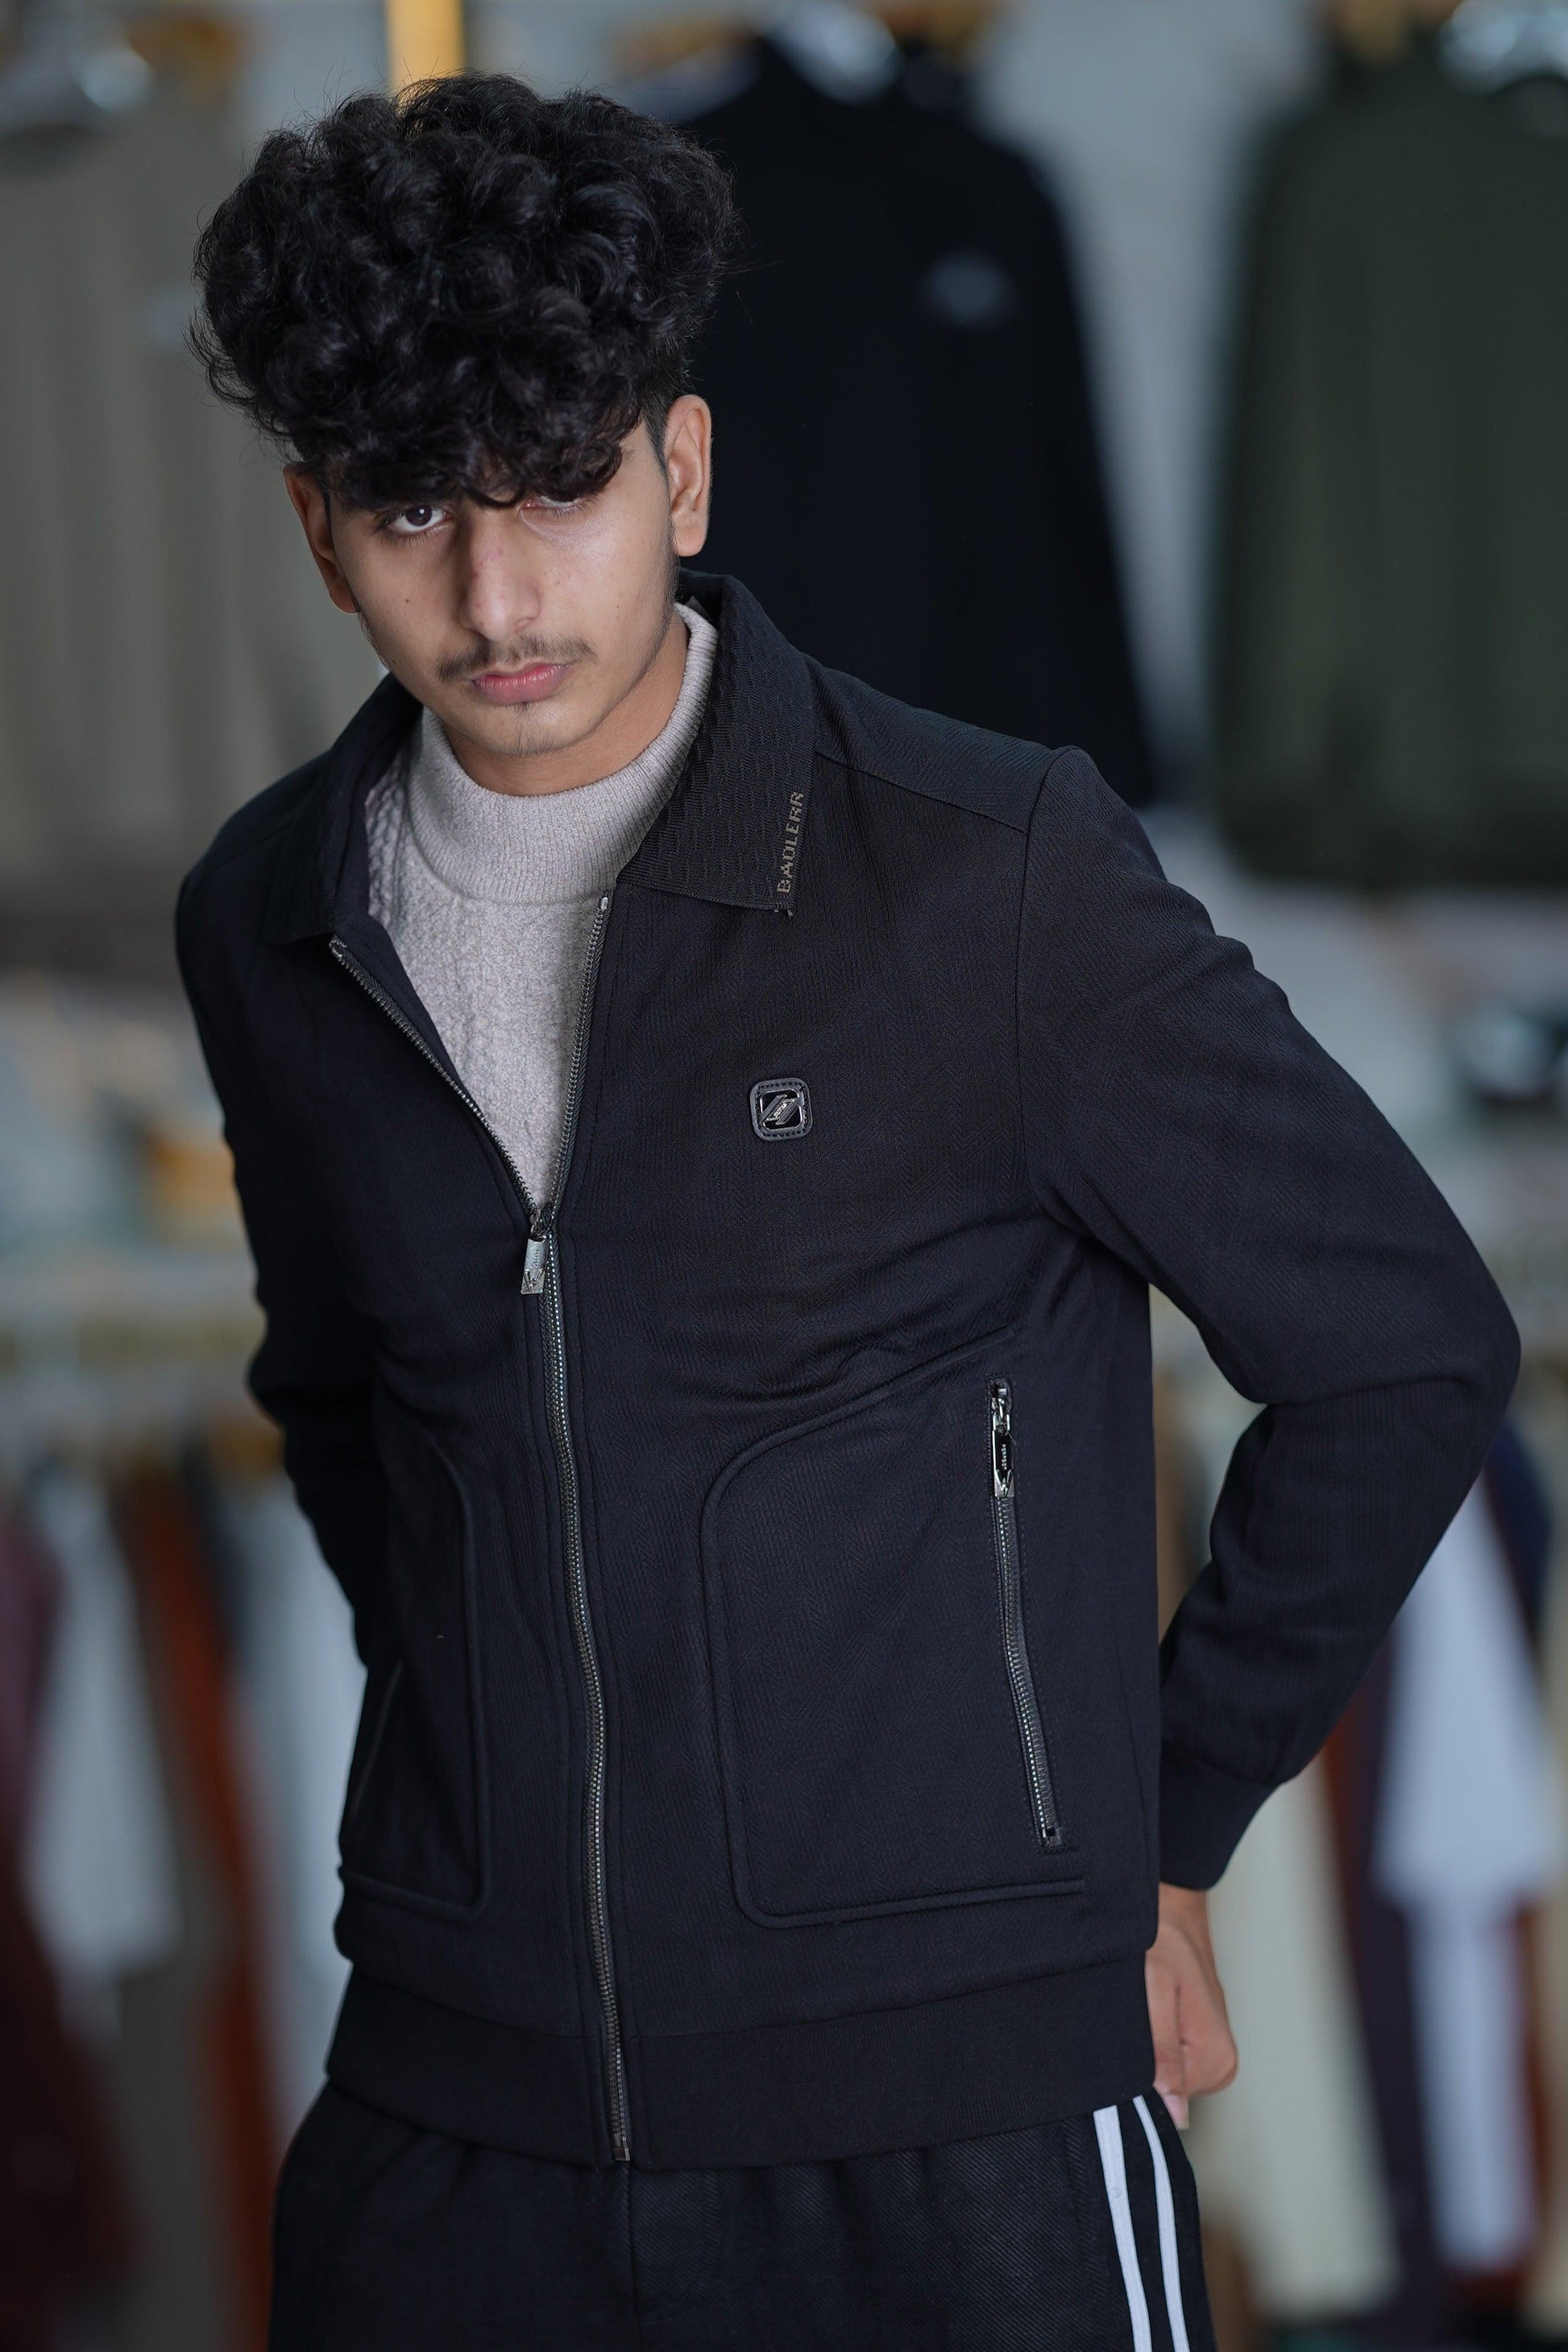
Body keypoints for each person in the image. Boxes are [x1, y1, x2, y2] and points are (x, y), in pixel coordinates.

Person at [176, 75, 1519, 2352]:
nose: (496, 596)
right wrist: (500, 1814)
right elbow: (345, 1401)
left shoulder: (990, 874)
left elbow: (1400, 1350)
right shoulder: (270, 916)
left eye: (560, 486)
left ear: (682, 470)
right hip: (453, 2122)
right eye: (410, 511)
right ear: (319, 530)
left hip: (955, 2135)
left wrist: (1164, 1830)